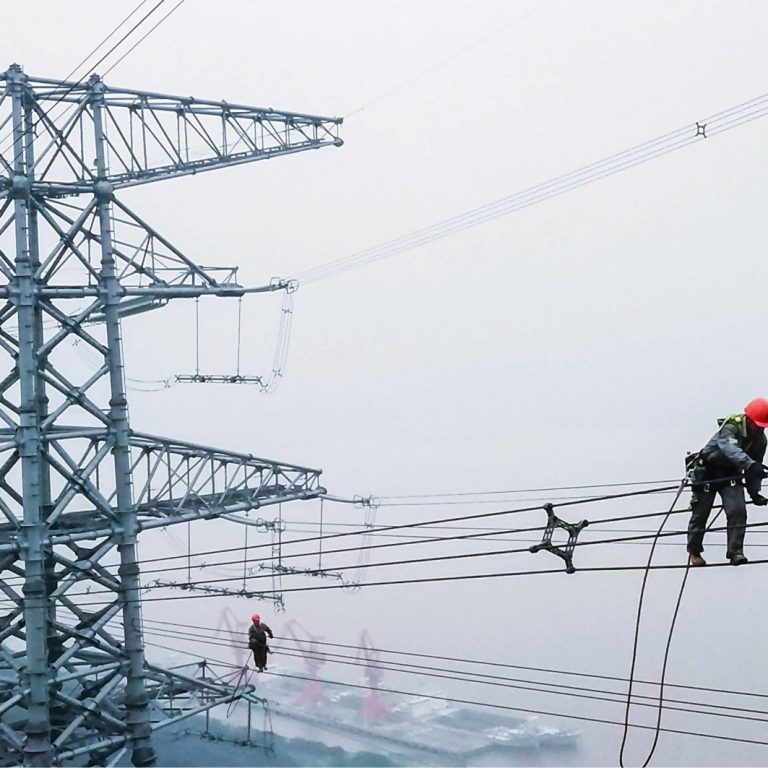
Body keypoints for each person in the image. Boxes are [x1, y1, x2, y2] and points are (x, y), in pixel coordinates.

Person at [687, 398, 768, 567]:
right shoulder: (731, 427)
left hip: (730, 475)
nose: (759, 429)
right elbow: (730, 449)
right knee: (700, 514)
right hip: (708, 472)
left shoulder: (761, 440)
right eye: (758, 425)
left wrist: (755, 493)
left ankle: (735, 552)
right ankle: (694, 551)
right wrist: (750, 464)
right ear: (749, 419)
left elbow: (755, 468)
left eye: (763, 427)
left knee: (738, 510)